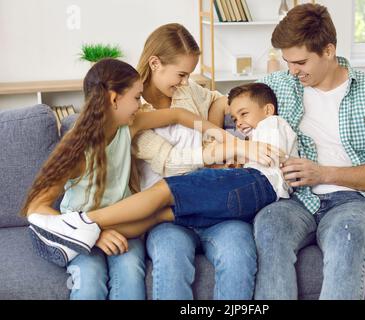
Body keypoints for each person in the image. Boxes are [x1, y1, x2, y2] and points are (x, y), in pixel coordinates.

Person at [26, 83, 297, 287]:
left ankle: (81, 223)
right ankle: (81, 232)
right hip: (247, 188)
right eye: (235, 118)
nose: (238, 123)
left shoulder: (272, 123)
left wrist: (237, 146)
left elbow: (269, 153)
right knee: (156, 213)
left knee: (163, 191)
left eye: (243, 115)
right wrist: (235, 147)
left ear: (268, 110)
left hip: (254, 184)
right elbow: (174, 149)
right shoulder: (125, 128)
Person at [20, 58, 238, 300]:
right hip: (82, 232)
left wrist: (218, 133)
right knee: (90, 280)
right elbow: (36, 207)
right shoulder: (77, 149)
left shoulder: (129, 127)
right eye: (136, 98)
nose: (140, 105)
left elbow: (177, 115)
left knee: (130, 273)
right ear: (114, 99)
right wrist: (94, 234)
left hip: (126, 226)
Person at [252, 3, 365, 300]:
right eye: (287, 62)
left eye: (301, 62)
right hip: (294, 201)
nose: (293, 71)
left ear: (329, 51)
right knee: (269, 227)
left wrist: (322, 173)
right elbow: (221, 104)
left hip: (352, 202)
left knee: (347, 239)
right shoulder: (277, 86)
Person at [133, 23, 268, 300]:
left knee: (239, 254)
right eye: (181, 74)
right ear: (155, 63)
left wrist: (214, 130)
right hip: (167, 215)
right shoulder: (132, 109)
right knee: (171, 261)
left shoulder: (187, 91)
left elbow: (221, 100)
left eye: (188, 75)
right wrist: (222, 151)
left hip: (214, 206)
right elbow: (170, 164)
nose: (185, 81)